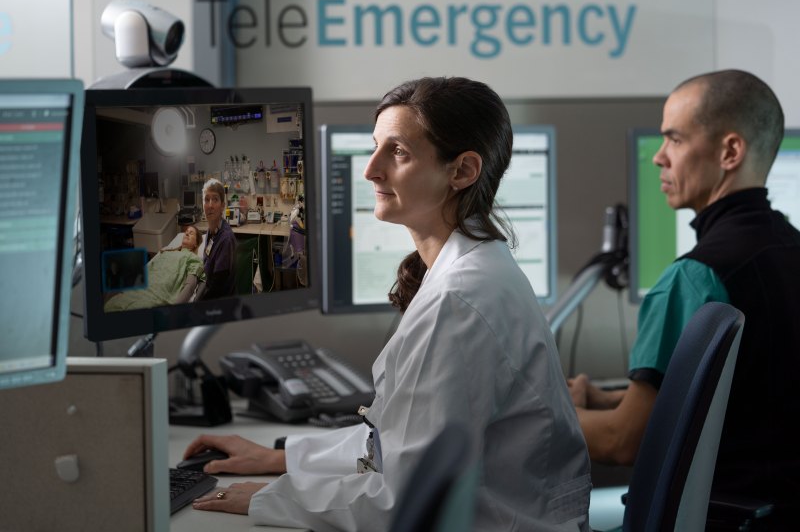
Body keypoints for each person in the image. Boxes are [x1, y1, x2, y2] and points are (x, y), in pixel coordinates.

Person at [184, 77, 592, 530]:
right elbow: (394, 443)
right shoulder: (482, 268)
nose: (370, 169)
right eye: (375, 147)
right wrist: (281, 458)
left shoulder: (457, 302)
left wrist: (274, 495)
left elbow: (399, 503)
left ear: (462, 171)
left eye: (397, 152)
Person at [568, 69, 800, 525]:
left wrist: (558, 411)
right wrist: (609, 398)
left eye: (674, 140)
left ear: (729, 151)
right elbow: (750, 398)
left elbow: (622, 441)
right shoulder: (790, 246)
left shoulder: (693, 278)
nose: (658, 158)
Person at [104, 224, 206, 311]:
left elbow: (190, 286)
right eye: (186, 231)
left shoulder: (193, 258)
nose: (187, 233)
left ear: (196, 243)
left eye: (191, 233)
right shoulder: (166, 251)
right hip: (139, 289)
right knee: (111, 305)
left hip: (158, 295)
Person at [197, 178, 236, 300]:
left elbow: (217, 288)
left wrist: (196, 302)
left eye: (215, 199)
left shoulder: (225, 239)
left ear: (223, 205)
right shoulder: (211, 231)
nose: (210, 205)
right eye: (206, 199)